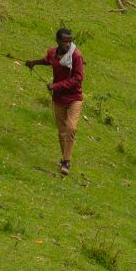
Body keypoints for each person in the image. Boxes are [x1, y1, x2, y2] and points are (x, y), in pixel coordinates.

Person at [22, 25, 84, 174]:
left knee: (71, 128)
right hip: (58, 99)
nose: (68, 44)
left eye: (70, 41)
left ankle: (67, 162)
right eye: (65, 41)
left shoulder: (76, 56)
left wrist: (57, 85)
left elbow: (78, 78)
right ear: (57, 41)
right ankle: (65, 159)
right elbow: (48, 60)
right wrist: (34, 62)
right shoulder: (52, 52)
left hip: (74, 98)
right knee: (62, 132)